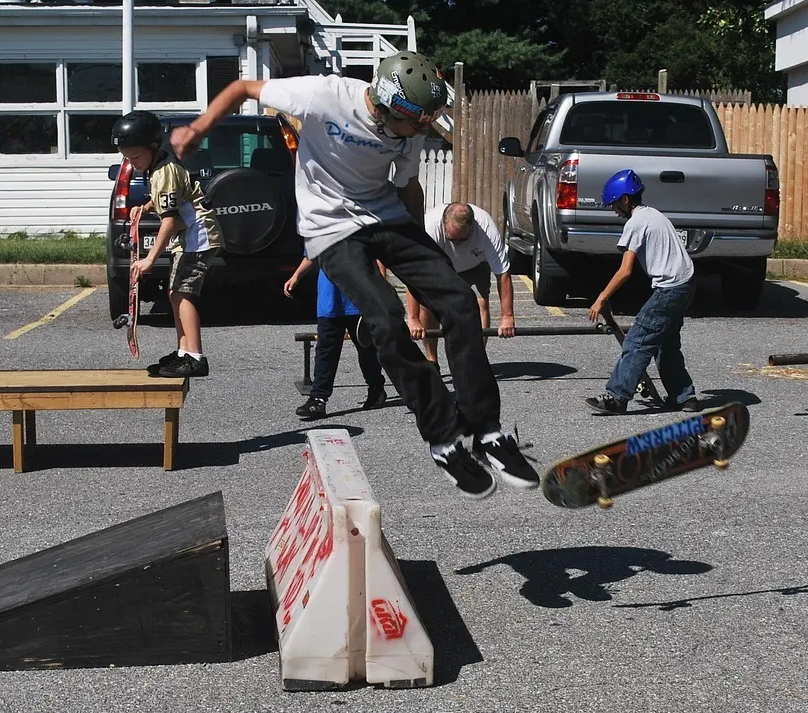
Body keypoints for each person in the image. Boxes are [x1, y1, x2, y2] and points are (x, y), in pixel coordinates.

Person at [171, 51, 538, 498]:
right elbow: (244, 88)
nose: (423, 131)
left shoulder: (411, 125)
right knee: (384, 317)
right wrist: (198, 128)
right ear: (385, 109)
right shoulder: (324, 96)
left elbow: (407, 185)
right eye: (416, 124)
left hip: (386, 217)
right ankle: (442, 438)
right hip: (330, 230)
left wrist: (420, 253)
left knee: (459, 301)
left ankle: (486, 431)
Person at [113, 110, 220, 378]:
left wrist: (150, 259)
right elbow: (171, 199)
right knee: (175, 293)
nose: (133, 163)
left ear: (152, 146)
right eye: (127, 158)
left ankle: (195, 357)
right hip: (189, 238)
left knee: (182, 294)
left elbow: (170, 221)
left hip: (199, 237)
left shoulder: (163, 172)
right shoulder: (159, 167)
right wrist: (146, 207)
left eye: (136, 157)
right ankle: (183, 351)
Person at [585, 169, 700, 414]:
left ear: (625, 200)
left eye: (615, 204)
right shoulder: (653, 214)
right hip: (685, 283)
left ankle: (617, 397)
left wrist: (602, 298)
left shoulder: (636, 222)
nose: (614, 210)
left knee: (637, 341)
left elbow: (625, 270)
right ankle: (684, 397)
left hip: (670, 288)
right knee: (665, 345)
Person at [408, 202, 516, 364]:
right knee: (428, 306)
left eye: (462, 239)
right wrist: (413, 318)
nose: (457, 245)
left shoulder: (486, 228)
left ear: (472, 228)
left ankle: (476, 359)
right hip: (440, 265)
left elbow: (503, 274)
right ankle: (432, 360)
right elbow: (414, 274)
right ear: (444, 226)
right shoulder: (429, 227)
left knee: (480, 303)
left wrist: (507, 316)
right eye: (452, 239)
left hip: (475, 264)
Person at [285, 255, 388, 418]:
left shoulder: (357, 229)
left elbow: (375, 256)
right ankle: (318, 399)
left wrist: (381, 290)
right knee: (325, 353)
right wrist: (296, 276)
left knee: (367, 350)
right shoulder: (319, 230)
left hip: (359, 300)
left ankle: (376, 388)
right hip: (329, 300)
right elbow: (311, 254)